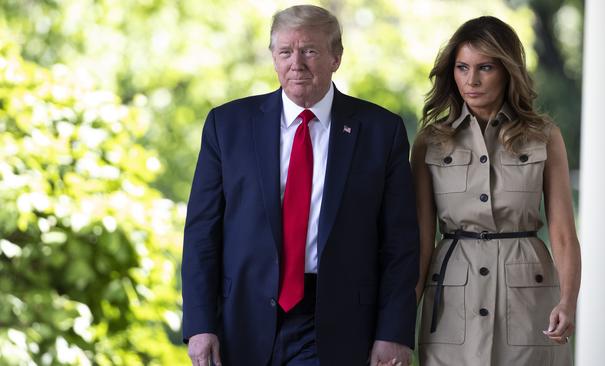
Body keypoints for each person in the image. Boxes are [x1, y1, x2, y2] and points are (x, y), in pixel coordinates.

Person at [182, 4, 419, 366]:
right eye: (285, 52)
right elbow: (202, 235)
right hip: (243, 321)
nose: (297, 63)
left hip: (338, 325)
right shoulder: (227, 126)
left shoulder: (380, 132)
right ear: (273, 58)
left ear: (336, 57)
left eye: (310, 50)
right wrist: (199, 324)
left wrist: (393, 332)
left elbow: (400, 244)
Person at [411, 16, 581, 365]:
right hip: (451, 298)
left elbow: (563, 233)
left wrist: (567, 301)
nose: (471, 80)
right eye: (461, 67)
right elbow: (420, 240)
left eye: (484, 67)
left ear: (507, 70)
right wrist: (399, 318)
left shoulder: (544, 135)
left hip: (528, 295)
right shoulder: (431, 140)